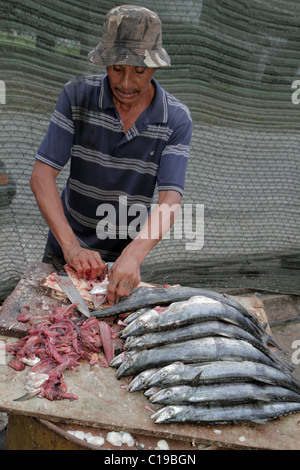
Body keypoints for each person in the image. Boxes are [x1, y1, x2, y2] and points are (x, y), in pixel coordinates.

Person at [30, 5, 193, 304]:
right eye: (117, 68)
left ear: (154, 67)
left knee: (108, 343)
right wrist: (71, 248)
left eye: (139, 71)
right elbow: (42, 176)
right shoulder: (76, 96)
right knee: (50, 333)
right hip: (64, 250)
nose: (126, 83)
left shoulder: (176, 119)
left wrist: (133, 255)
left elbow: (170, 199)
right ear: (105, 62)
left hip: (121, 261)